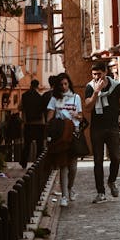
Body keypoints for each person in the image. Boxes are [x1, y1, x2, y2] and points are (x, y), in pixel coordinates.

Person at [85, 61, 120, 203]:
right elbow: (88, 107)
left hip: (113, 127)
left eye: (99, 74)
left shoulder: (117, 86)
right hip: (97, 128)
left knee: (116, 157)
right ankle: (100, 192)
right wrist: (96, 91)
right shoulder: (90, 87)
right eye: (94, 74)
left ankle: (112, 180)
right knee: (98, 160)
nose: (96, 77)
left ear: (105, 72)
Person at [46, 73, 83, 207]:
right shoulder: (54, 99)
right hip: (61, 135)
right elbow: (49, 118)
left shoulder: (76, 97)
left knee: (73, 167)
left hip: (73, 134)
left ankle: (70, 187)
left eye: (66, 84)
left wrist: (76, 116)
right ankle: (64, 196)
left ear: (69, 84)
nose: (64, 87)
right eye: (61, 84)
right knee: (63, 166)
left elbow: (81, 116)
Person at [19, 79, 45, 168]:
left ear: (30, 85)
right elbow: (43, 111)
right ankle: (38, 163)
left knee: (27, 144)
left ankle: (23, 162)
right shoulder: (40, 97)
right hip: (39, 124)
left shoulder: (24, 96)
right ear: (37, 86)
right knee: (39, 145)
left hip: (28, 123)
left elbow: (20, 108)